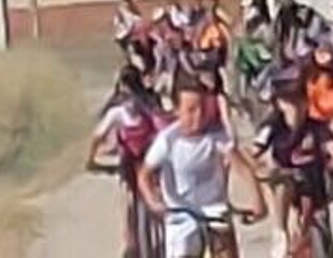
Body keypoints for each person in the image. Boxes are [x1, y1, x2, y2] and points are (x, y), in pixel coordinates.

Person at [141, 82, 266, 258]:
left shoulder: (216, 136)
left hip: (214, 208)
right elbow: (145, 174)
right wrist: (152, 200)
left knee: (226, 251)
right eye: (191, 110)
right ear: (177, 110)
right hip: (181, 211)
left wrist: (257, 200)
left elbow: (240, 167)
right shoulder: (168, 140)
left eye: (202, 109)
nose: (198, 116)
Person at [254, 77, 333, 258]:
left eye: (299, 100)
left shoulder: (317, 128)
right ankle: (279, 231)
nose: (294, 107)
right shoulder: (272, 129)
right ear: (279, 104)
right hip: (287, 203)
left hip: (315, 199)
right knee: (285, 181)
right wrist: (267, 169)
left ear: (306, 102)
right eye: (288, 102)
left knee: (323, 242)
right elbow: (252, 155)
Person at [89, 66, 171, 258]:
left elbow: (96, 137)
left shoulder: (117, 111)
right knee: (157, 194)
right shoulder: (150, 103)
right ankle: (165, 232)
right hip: (150, 159)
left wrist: (91, 160)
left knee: (127, 199)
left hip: (129, 161)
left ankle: (129, 241)